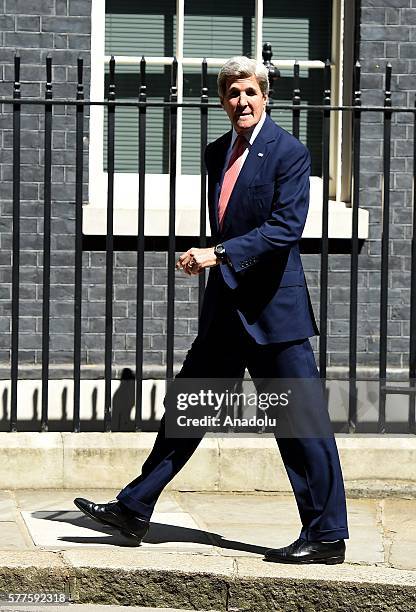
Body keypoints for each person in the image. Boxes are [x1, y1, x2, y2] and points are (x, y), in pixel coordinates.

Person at [75, 56, 349, 565]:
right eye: (231, 93)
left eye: (249, 92)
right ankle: (135, 507)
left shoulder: (289, 153)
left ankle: (327, 534)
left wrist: (217, 254)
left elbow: (285, 230)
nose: (241, 102)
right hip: (225, 310)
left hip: (274, 314)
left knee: (301, 424)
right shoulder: (216, 152)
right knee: (189, 408)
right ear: (222, 99)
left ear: (265, 95)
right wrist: (210, 252)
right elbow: (231, 224)